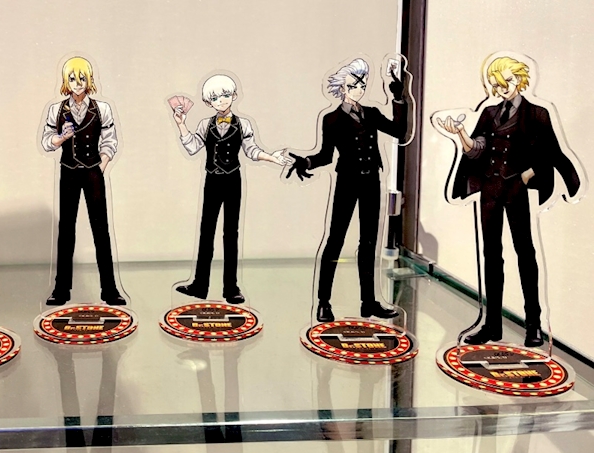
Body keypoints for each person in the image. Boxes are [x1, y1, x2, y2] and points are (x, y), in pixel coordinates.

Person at [437, 56, 580, 347]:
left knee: (525, 253)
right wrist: (460, 134)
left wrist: (540, 175)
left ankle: (533, 326)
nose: (502, 87)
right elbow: (476, 149)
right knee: (491, 255)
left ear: (520, 79)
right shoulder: (489, 112)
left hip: (516, 190)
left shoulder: (536, 113)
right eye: (497, 83)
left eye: (507, 81)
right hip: (490, 190)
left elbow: (551, 151)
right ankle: (492, 325)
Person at [286, 58, 408, 322]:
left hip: (371, 181)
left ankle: (369, 302)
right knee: (335, 240)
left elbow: (399, 131)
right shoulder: (331, 119)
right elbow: (326, 155)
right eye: (353, 85)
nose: (358, 89)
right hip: (347, 181)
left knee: (369, 242)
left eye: (362, 84)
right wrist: (307, 162)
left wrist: (398, 97)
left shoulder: (372, 113)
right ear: (342, 88)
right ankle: (323, 302)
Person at [173, 74, 287, 304]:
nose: (222, 100)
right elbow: (193, 147)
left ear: (234, 95)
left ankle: (231, 287)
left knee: (231, 234)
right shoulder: (205, 124)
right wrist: (181, 124)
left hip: (233, 180)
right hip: (212, 180)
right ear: (208, 102)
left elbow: (252, 150)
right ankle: (199, 285)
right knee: (206, 232)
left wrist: (271, 157)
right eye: (216, 98)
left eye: (225, 95)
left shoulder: (243, 124)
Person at [41, 57, 126, 306]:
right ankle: (61, 289)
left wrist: (101, 165)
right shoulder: (56, 110)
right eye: (72, 79)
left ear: (89, 80)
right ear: (65, 82)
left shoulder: (102, 109)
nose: (77, 83)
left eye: (82, 78)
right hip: (68, 171)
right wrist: (60, 138)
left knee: (101, 229)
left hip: (92, 172)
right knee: (66, 230)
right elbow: (46, 141)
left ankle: (109, 289)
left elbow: (110, 139)